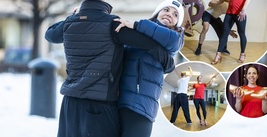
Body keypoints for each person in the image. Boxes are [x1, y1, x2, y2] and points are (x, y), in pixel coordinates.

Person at [44, 0, 174, 137]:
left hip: (69, 105)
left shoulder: (70, 23)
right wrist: (169, 64)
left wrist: (74, 16)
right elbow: (151, 45)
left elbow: (49, 34)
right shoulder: (113, 25)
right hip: (99, 106)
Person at [114, 0, 184, 136]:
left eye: (175, 14)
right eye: (166, 10)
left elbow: (170, 39)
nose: (170, 14)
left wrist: (136, 25)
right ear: (158, 12)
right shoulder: (139, 30)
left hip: (141, 105)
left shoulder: (175, 37)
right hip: (119, 101)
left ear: (177, 22)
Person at [211, 0, 251, 65]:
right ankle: (218, 55)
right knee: (224, 34)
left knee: (242, 34)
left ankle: (242, 54)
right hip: (229, 13)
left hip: (240, 13)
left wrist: (243, 9)